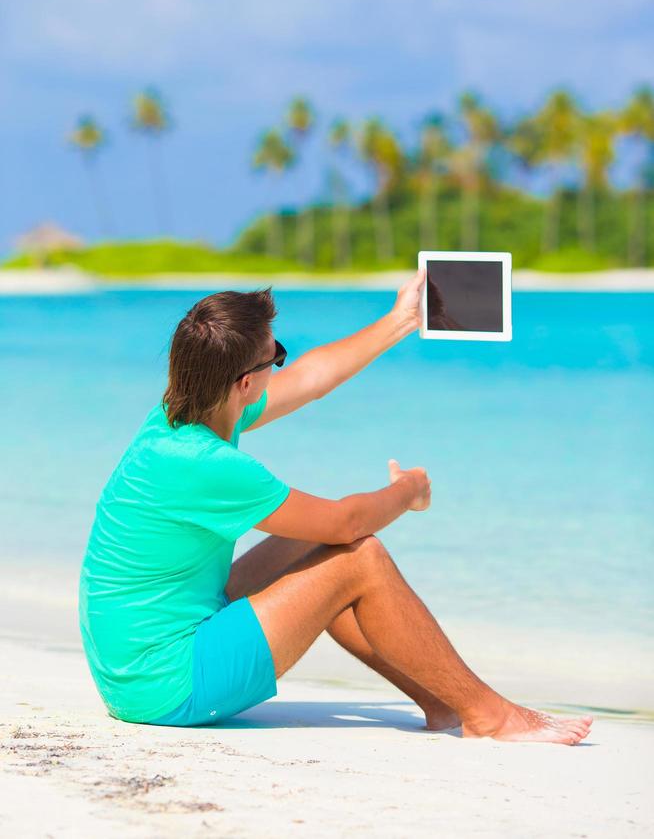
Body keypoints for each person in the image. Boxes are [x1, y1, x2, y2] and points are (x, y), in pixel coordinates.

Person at [79, 267, 592, 744]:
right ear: (245, 382)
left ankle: (441, 702)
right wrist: (408, 492)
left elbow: (310, 377)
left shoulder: (178, 417)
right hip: (169, 681)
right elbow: (346, 523)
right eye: (273, 356)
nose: (281, 364)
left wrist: (401, 320)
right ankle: (490, 715)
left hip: (133, 667)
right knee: (358, 557)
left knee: (313, 542)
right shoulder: (205, 462)